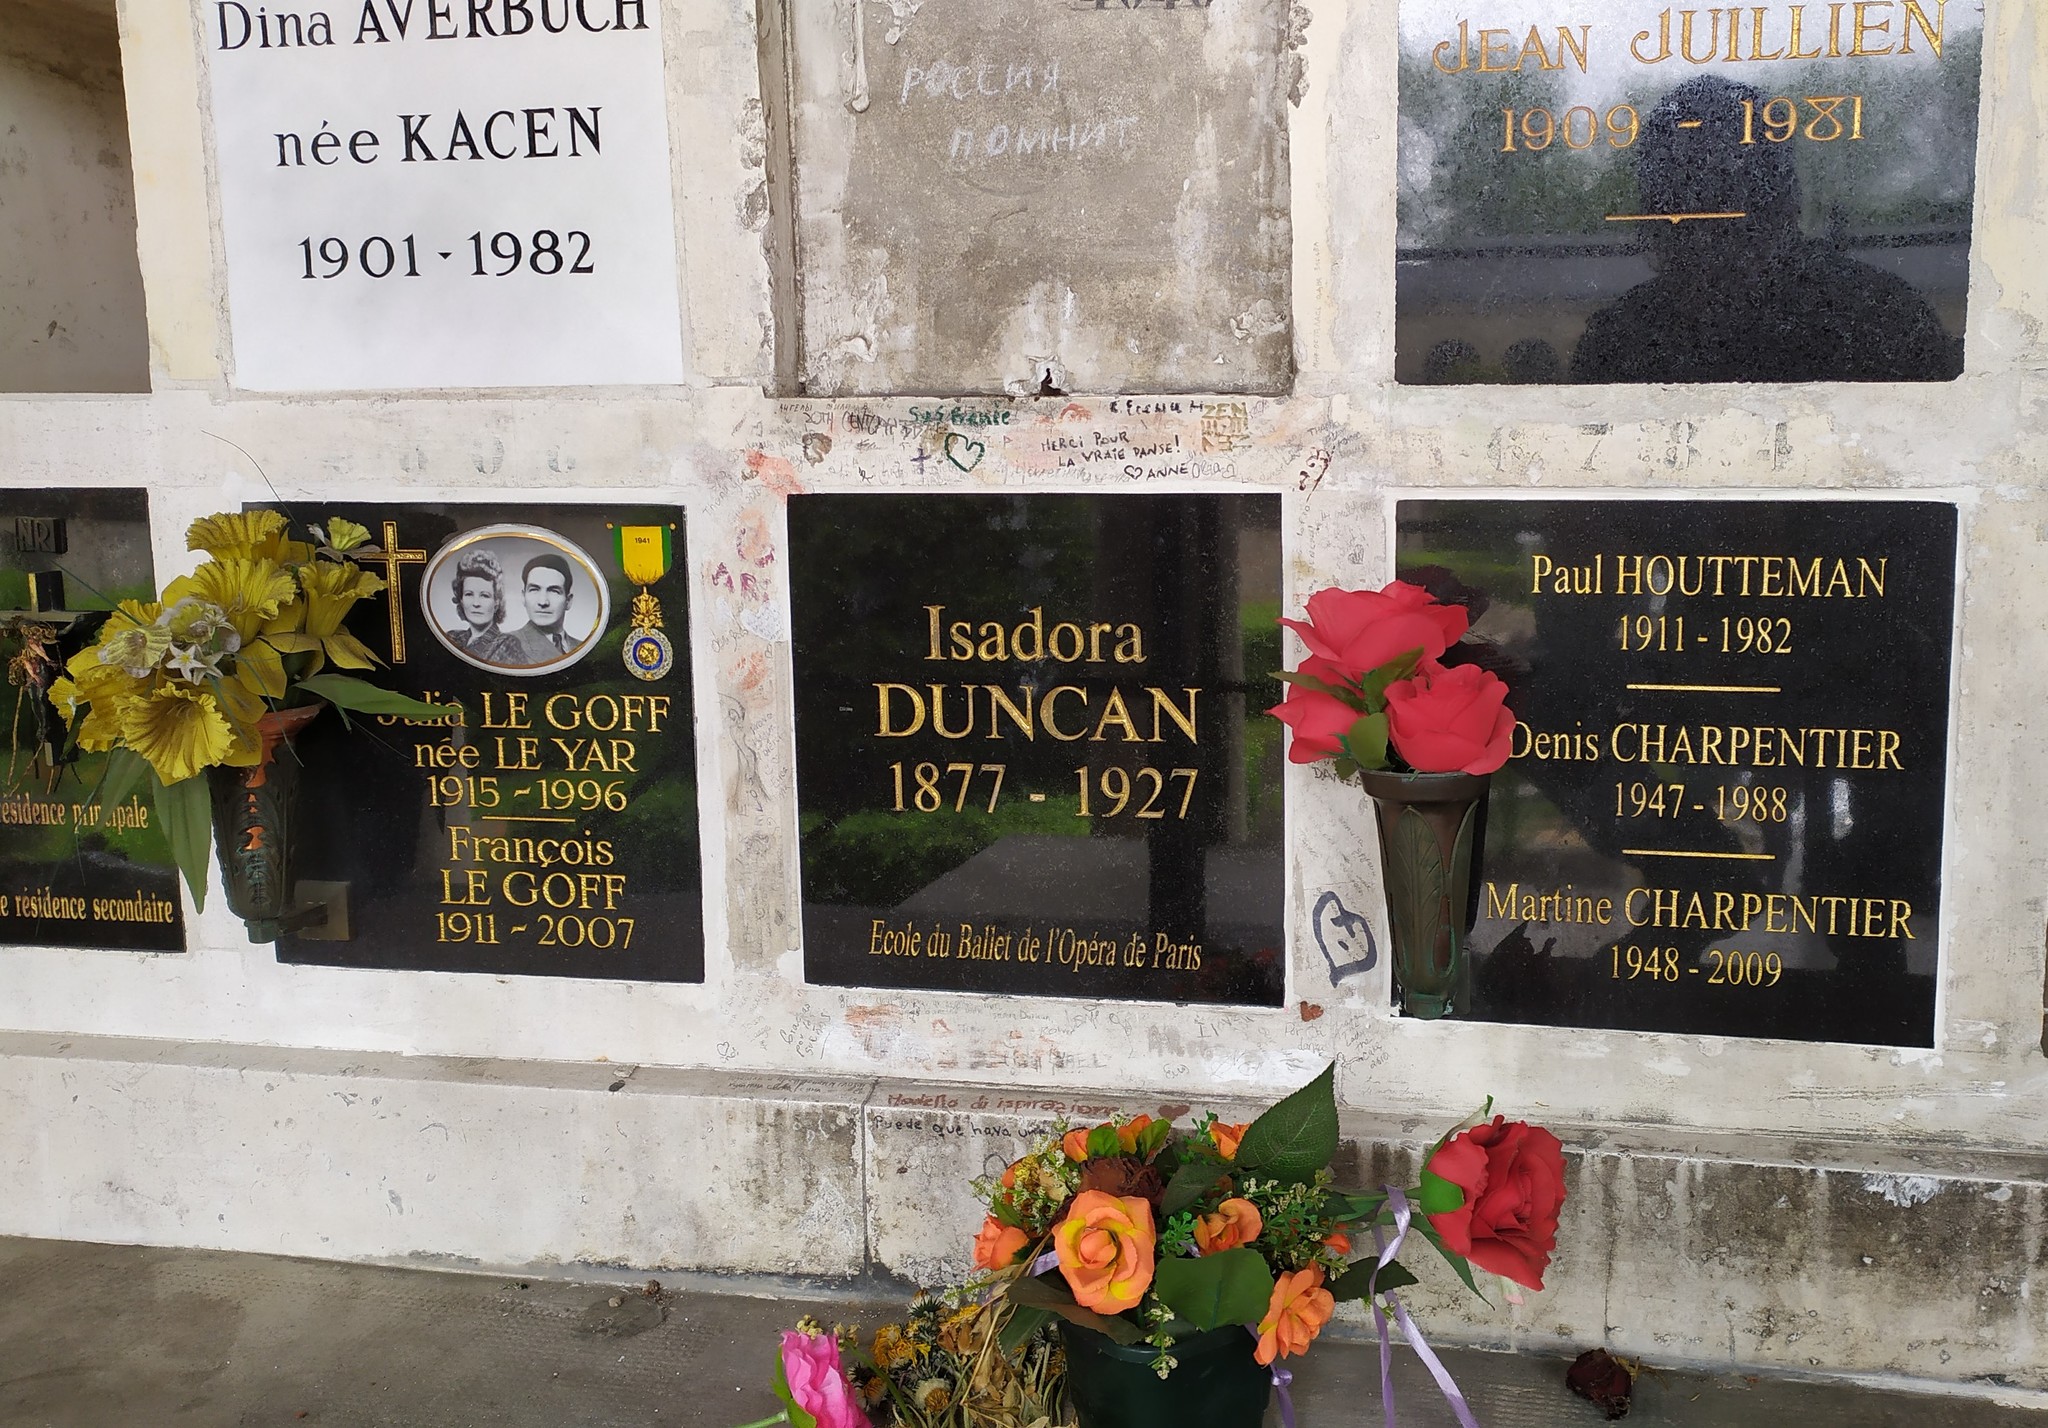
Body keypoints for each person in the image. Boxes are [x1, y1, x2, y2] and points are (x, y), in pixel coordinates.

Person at [1571, 76, 1961, 384]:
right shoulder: (1884, 313)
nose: (1708, 231)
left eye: (1726, 187)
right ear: (1790, 197)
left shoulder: (1621, 337)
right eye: (1687, 188)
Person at [500, 552, 583, 665]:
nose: (543, 602)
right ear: (524, 597)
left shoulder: (582, 647)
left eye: (554, 591)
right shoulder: (504, 645)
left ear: (568, 601)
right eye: (534, 590)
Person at [442, 550, 520, 663]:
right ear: (461, 599)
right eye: (469, 594)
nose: (476, 603)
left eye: (484, 595)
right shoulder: (452, 637)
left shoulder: (507, 644)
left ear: (496, 602)